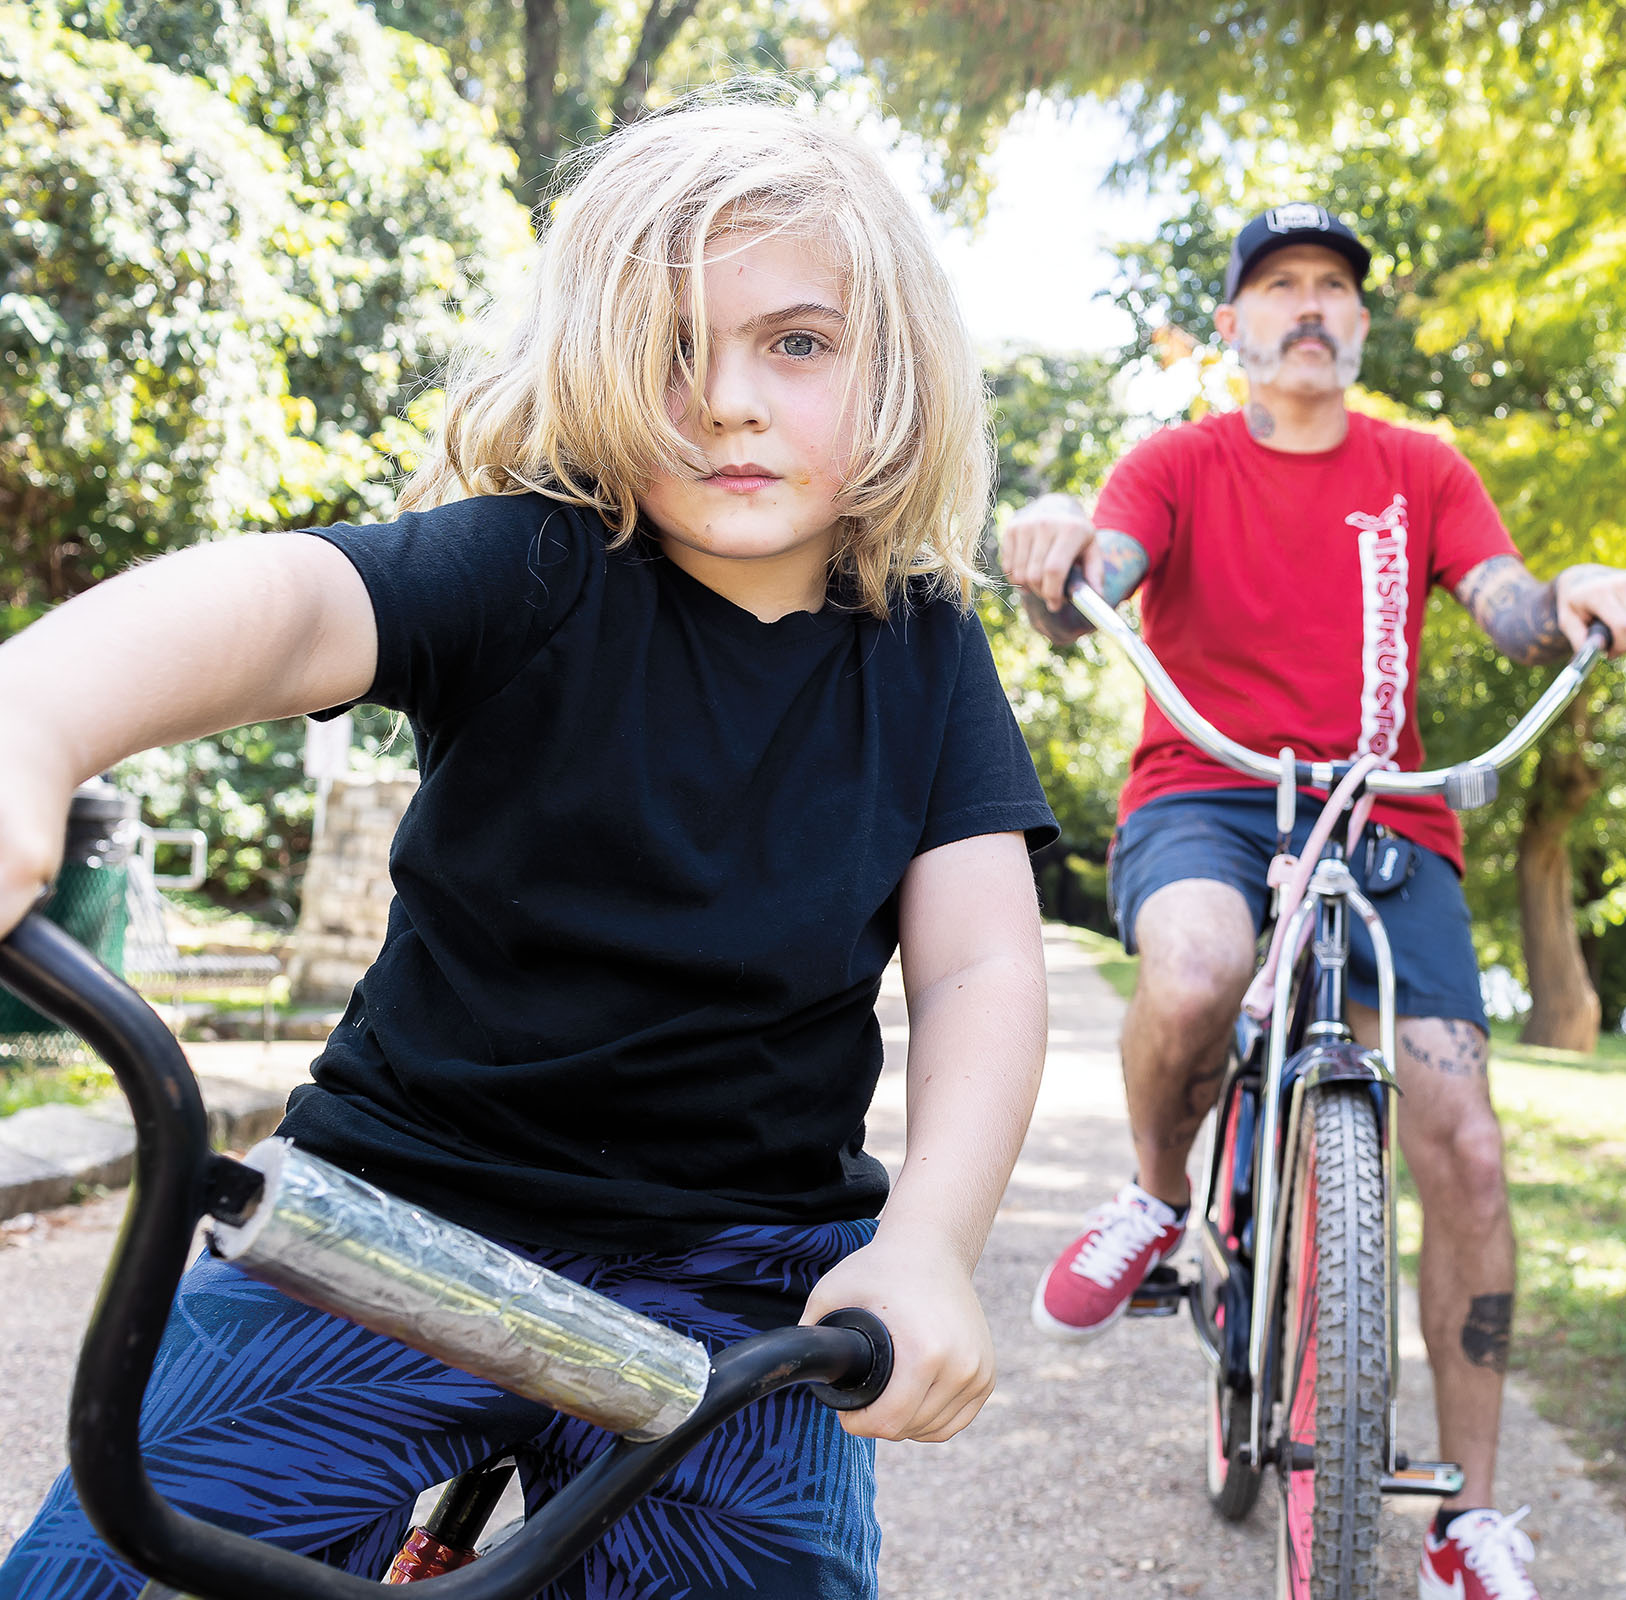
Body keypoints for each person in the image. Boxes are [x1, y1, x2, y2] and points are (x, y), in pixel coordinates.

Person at [0, 94, 1055, 1600]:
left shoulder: (925, 651)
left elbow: (980, 967)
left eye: (798, 343)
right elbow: (296, 605)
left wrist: (929, 1244)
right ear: (594, 366)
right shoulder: (537, 561)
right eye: (671, 347)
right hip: (399, 1215)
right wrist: (31, 718)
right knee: (116, 1574)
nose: (730, 400)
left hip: (737, 1275)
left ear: (897, 370)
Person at [999, 202, 1626, 1600]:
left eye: (1332, 290)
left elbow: (1510, 605)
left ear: (1360, 327)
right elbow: (1094, 588)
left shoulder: (1420, 466)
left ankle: (1467, 1519)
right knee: (1192, 972)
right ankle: (1161, 1200)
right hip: (1209, 790)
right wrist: (1059, 561)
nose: (1308, 306)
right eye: (1279, 286)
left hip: (1385, 812)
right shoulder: (1174, 461)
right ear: (1234, 325)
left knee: (1468, 1143)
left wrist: (1575, 595)